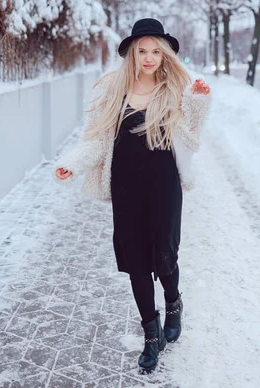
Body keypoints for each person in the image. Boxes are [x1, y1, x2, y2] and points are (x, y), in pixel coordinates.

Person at [55, 18, 211, 374]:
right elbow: (95, 138)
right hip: (126, 188)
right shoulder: (112, 91)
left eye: (156, 51)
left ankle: (173, 304)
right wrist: (73, 165)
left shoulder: (174, 90)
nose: (149, 57)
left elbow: (191, 138)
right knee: (136, 263)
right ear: (131, 53)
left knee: (165, 255)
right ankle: (151, 335)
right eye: (142, 51)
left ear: (165, 54)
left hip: (164, 186)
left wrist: (199, 102)